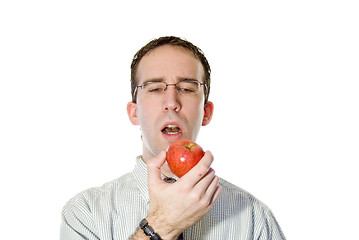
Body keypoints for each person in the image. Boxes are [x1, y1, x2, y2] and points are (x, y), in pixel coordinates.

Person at [60, 36, 286, 240]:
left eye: (187, 88)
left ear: (205, 113)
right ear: (134, 112)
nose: (171, 102)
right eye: (155, 88)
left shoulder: (253, 218)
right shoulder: (85, 213)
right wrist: (162, 225)